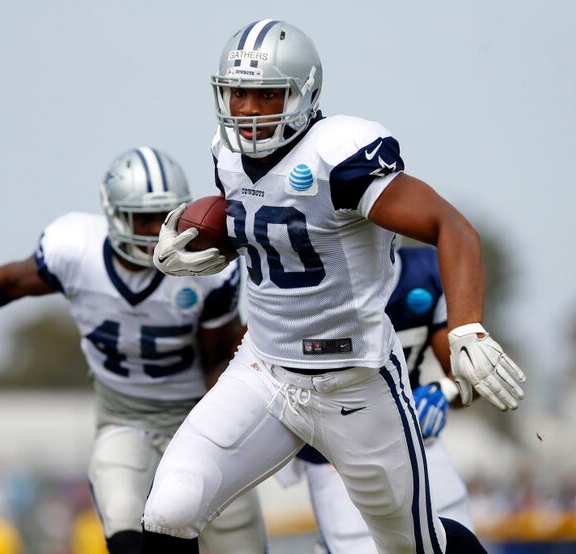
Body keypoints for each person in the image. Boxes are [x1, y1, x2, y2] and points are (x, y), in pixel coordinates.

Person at [145, 20, 526, 554]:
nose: (249, 109)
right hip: (264, 372)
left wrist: (467, 328)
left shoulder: (339, 155)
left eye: (266, 93)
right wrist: (216, 247)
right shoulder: (227, 155)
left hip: (355, 382)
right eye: (239, 92)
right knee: (169, 509)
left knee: (413, 547)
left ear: (303, 93)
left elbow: (452, 227)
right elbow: (267, 226)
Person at [0, 147, 267, 554]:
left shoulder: (205, 269)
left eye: (159, 217)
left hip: (197, 415)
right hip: (125, 416)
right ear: (113, 214)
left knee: (239, 536)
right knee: (122, 512)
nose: (149, 231)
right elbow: (10, 282)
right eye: (139, 217)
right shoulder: (75, 249)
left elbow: (217, 363)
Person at [291, 245, 475, 553]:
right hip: (334, 451)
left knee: (453, 537)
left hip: (415, 437)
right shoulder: (305, 282)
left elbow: (470, 374)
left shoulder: (425, 272)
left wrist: (444, 391)